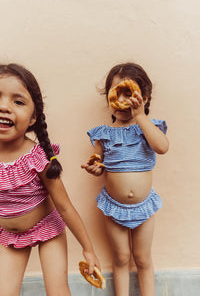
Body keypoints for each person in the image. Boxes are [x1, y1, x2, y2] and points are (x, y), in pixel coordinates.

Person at [0, 63, 100, 296]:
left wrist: (88, 249)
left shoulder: (38, 157)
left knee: (57, 291)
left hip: (47, 227)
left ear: (34, 117)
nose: (4, 107)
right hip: (10, 235)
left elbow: (64, 207)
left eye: (18, 101)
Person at [81, 62, 169, 296]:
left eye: (128, 94)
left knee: (142, 257)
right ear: (108, 98)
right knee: (120, 258)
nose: (121, 100)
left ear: (144, 97)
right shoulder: (103, 133)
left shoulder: (150, 128)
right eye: (115, 92)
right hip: (113, 206)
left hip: (144, 206)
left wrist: (140, 116)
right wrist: (95, 168)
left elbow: (162, 147)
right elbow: (99, 162)